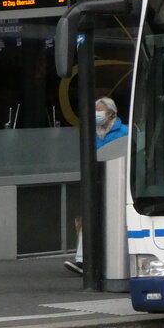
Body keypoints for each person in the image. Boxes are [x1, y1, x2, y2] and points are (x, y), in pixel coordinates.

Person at [65, 97, 126, 275]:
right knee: (89, 218)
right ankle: (83, 260)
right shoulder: (90, 133)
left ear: (111, 113)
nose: (96, 114)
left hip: (119, 182)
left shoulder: (125, 131)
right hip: (96, 181)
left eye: (100, 110)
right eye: (95, 111)